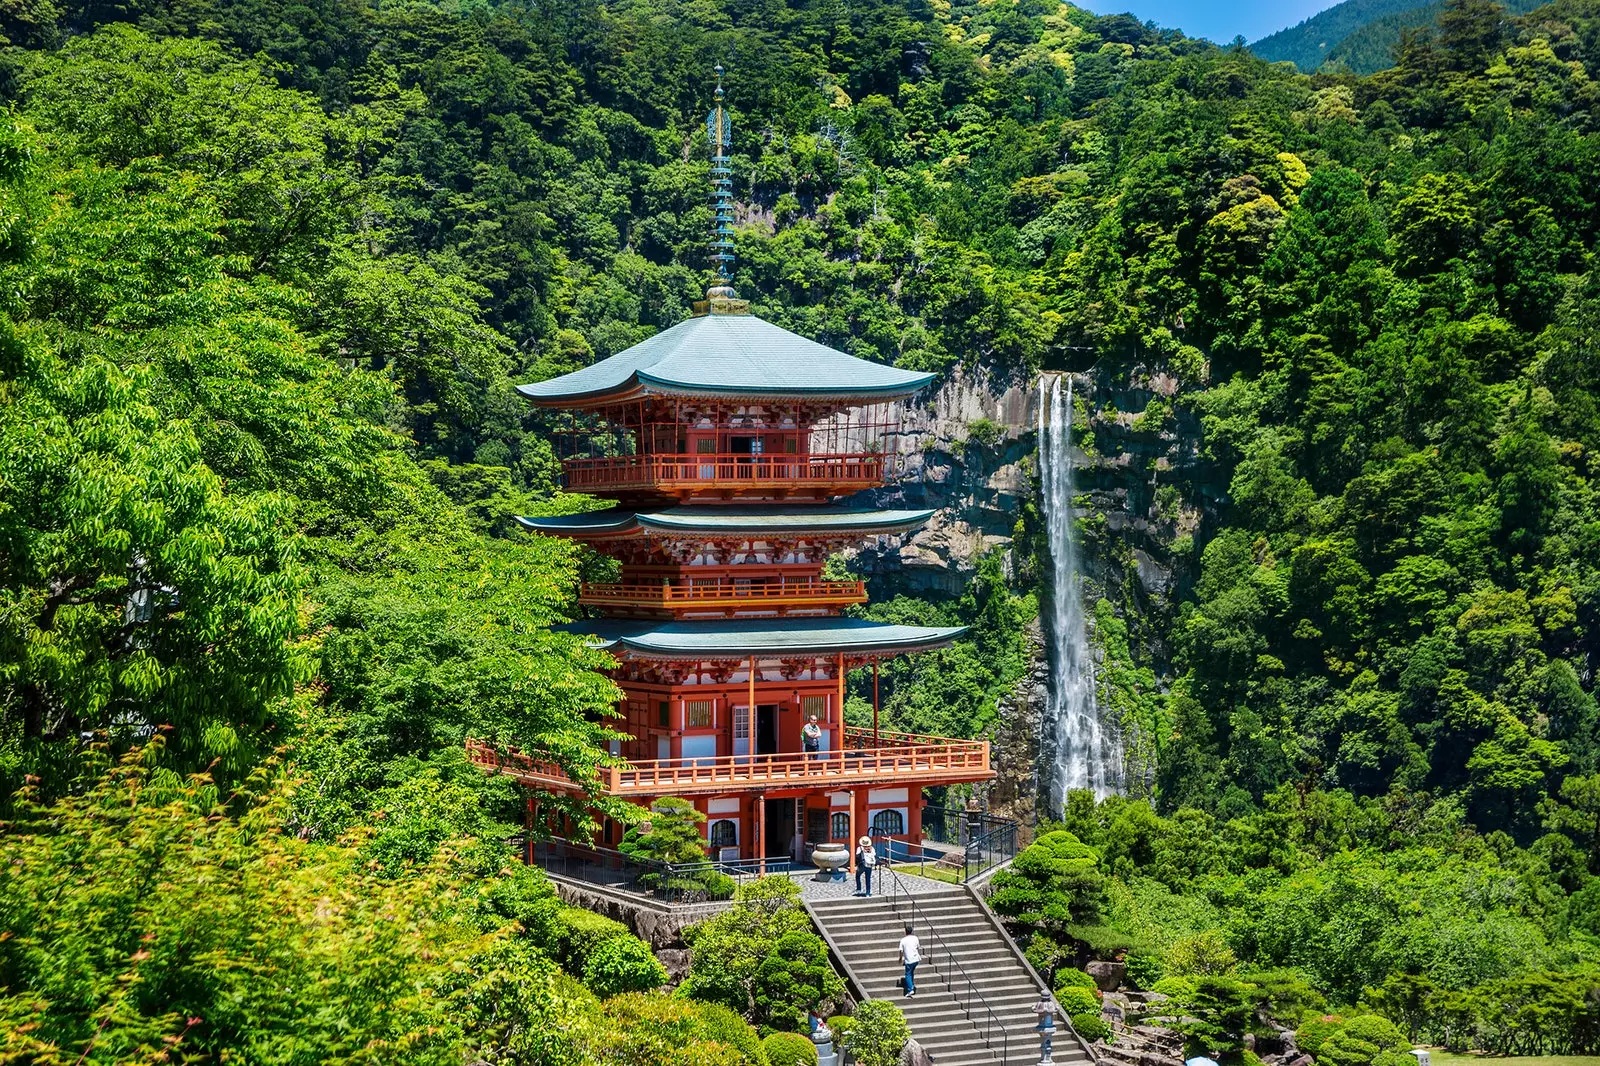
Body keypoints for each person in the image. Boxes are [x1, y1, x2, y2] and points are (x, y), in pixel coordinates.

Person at [898, 922, 921, 998]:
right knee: (911, 972)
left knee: (907, 974)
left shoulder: (903, 940)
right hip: (916, 959)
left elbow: (901, 951)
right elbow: (918, 947)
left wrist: (900, 959)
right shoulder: (915, 938)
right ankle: (911, 984)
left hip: (909, 960)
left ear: (905, 932)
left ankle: (910, 989)